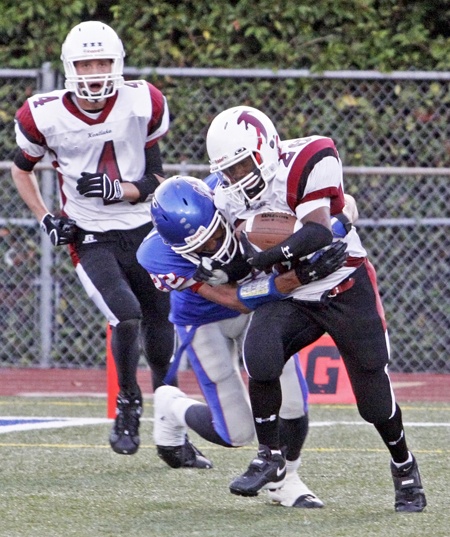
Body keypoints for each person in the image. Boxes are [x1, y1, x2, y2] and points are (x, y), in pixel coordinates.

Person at [203, 105, 427, 512]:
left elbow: (318, 231)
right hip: (292, 293)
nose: (236, 179)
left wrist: (266, 256)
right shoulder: (225, 195)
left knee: (373, 398)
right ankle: (270, 455)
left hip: (343, 284)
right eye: (228, 171)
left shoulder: (310, 157)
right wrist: (239, 261)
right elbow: (236, 259)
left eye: (242, 166)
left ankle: (404, 465)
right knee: (260, 357)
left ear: (265, 149)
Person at [10, 21, 204, 466]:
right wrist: (46, 218)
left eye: (102, 62)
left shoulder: (143, 102)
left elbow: (157, 179)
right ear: (68, 68)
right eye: (85, 63)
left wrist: (121, 190)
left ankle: (171, 431)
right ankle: (128, 404)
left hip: (145, 228)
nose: (94, 72)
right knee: (126, 313)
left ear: (117, 64)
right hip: (90, 233)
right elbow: (20, 168)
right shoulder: (42, 115)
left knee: (161, 325)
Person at [137, 174, 349, 506]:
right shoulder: (159, 257)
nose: (214, 247)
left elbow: (342, 204)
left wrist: (335, 225)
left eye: (216, 234)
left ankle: (286, 482)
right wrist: (301, 276)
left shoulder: (234, 192)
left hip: (262, 308)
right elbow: (235, 299)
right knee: (236, 433)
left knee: (292, 400)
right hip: (205, 318)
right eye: (200, 248)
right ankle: (171, 406)